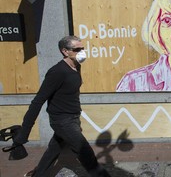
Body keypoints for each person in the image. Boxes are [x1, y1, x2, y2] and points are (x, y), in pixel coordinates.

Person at [13, 36, 110, 177]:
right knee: (86, 153)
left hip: (73, 117)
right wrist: (24, 133)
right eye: (77, 49)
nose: (82, 52)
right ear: (65, 51)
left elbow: (70, 95)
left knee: (54, 149)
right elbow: (38, 100)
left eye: (82, 48)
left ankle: (37, 174)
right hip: (62, 121)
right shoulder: (57, 72)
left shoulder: (77, 66)